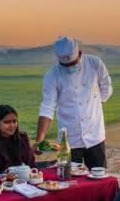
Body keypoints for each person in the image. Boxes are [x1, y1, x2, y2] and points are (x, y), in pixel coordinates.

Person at [35, 36, 113, 168]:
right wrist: (40, 139)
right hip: (69, 139)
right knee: (69, 177)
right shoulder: (52, 75)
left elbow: (106, 89)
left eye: (72, 63)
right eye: (64, 65)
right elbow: (47, 107)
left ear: (80, 53)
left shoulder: (95, 64)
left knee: (99, 175)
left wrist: (93, 108)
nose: (69, 67)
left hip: (94, 134)